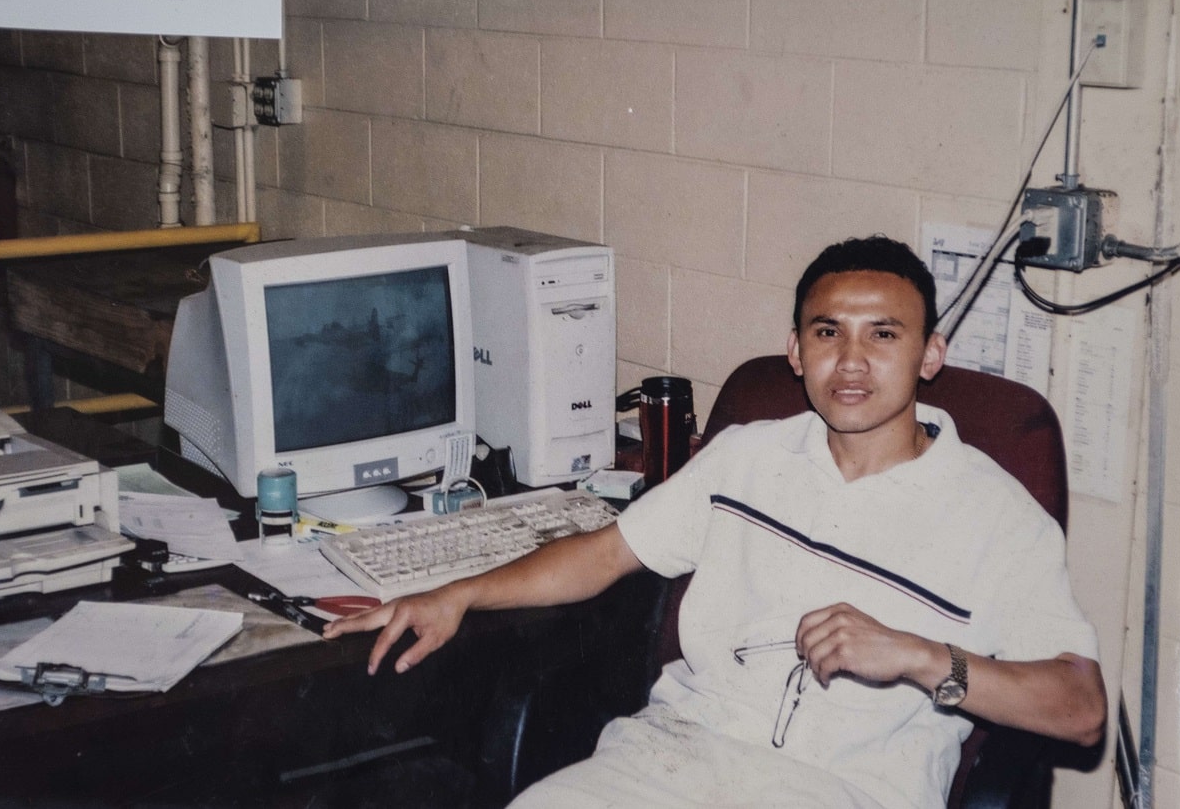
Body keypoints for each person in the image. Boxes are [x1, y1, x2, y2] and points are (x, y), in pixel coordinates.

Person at [324, 235, 1106, 808]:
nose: (853, 362)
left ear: (930, 355)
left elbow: (1080, 709)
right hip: (670, 760)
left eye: (885, 335)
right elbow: (603, 554)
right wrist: (456, 595)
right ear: (795, 351)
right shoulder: (748, 456)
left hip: (841, 790)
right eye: (828, 333)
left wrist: (920, 656)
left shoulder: (995, 513)